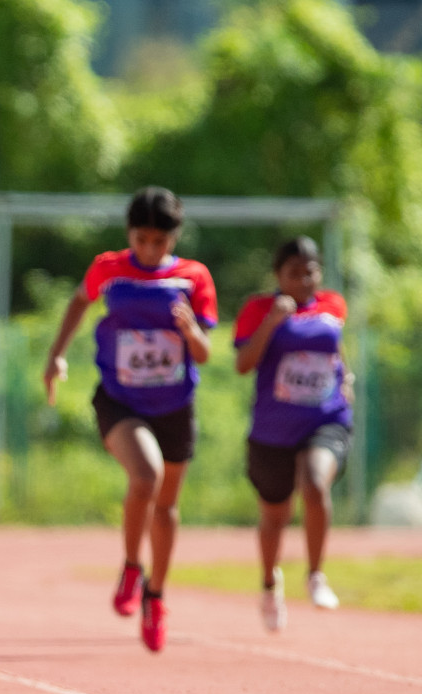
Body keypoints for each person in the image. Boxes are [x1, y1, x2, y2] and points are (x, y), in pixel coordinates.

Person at [44, 186, 217, 653]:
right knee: (146, 477)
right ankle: (131, 566)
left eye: (158, 242)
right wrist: (56, 355)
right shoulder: (109, 269)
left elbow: (204, 352)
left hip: (175, 405)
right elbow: (80, 301)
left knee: (166, 509)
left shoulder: (192, 279)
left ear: (173, 239)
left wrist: (189, 330)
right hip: (120, 399)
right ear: (130, 235)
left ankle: (156, 596)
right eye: (141, 239)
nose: (148, 249)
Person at [233, 236, 351, 630]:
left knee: (316, 483)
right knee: (274, 516)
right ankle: (269, 584)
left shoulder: (332, 305)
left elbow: (335, 348)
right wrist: (272, 322)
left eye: (310, 271)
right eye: (293, 272)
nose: (303, 280)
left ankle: (316, 574)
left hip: (325, 418)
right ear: (278, 275)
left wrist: (346, 377)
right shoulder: (258, 309)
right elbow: (243, 364)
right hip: (272, 431)